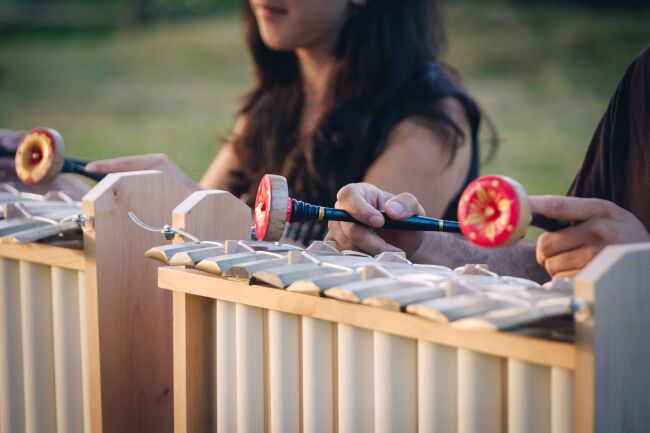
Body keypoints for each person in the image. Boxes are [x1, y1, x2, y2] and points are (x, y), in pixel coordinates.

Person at [77, 0, 489, 244]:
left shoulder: (430, 119)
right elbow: (189, 234)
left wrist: (192, 200)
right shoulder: (274, 99)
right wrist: (65, 186)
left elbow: (363, 264)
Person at [325, 45, 650, 282]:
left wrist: (641, 266)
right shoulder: (643, 80)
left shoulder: (426, 114)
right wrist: (419, 242)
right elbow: (554, 267)